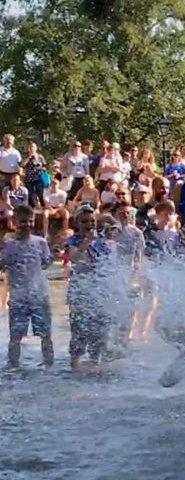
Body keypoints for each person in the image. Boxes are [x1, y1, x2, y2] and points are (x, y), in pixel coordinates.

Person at [2, 205, 54, 368]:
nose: (27, 225)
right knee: (15, 336)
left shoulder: (40, 242)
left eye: (30, 221)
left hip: (39, 295)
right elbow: (3, 265)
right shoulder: (8, 245)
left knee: (45, 334)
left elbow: (45, 264)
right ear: (15, 222)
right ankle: (13, 366)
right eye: (23, 221)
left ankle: (49, 365)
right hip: (18, 298)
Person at [64, 205, 112, 370]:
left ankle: (95, 367)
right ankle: (75, 368)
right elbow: (75, 257)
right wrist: (87, 241)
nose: (89, 224)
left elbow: (109, 266)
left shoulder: (102, 241)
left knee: (100, 333)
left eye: (92, 221)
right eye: (85, 221)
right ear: (77, 223)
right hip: (80, 292)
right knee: (78, 333)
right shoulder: (72, 241)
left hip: (99, 291)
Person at [20, 141, 46, 209]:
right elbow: (22, 165)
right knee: (30, 195)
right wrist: (29, 157)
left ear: (36, 148)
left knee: (40, 194)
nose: (32, 148)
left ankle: (42, 208)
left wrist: (40, 168)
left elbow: (44, 166)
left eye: (33, 147)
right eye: (30, 147)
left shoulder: (40, 156)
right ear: (28, 149)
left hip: (38, 178)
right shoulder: (26, 156)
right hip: (29, 178)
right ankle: (32, 209)